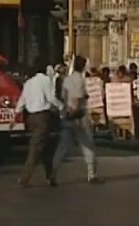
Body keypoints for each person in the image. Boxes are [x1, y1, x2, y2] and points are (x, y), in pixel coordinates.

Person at [49, 56, 100, 185]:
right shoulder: (79, 80)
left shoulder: (67, 80)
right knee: (88, 145)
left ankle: (52, 173)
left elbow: (63, 96)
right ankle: (91, 174)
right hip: (78, 116)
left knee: (63, 146)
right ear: (83, 66)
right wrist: (76, 112)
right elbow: (77, 99)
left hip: (67, 114)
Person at [11, 63, 63, 187]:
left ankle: (50, 177)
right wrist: (62, 106)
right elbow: (50, 97)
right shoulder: (45, 80)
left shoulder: (28, 83)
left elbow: (22, 100)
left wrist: (15, 116)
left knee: (45, 147)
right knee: (36, 148)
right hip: (42, 117)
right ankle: (24, 178)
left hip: (31, 117)